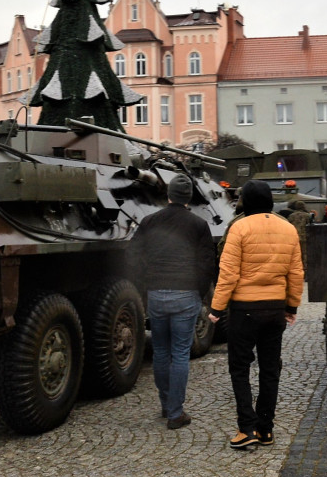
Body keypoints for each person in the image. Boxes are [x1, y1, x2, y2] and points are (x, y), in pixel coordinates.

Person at [208, 179, 304, 449]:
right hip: (275, 310)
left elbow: (228, 273)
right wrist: (292, 306)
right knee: (270, 369)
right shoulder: (288, 228)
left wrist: (217, 308)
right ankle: (266, 430)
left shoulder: (239, 228)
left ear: (245, 203)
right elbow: (296, 272)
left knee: (239, 368)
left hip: (244, 310)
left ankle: (245, 429)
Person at [127, 174, 216, 430]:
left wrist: (145, 285)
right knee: (179, 354)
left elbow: (133, 255)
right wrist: (197, 293)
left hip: (156, 294)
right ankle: (176, 414)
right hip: (185, 294)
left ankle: (166, 405)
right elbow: (207, 264)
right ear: (188, 198)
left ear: (168, 195)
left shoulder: (149, 221)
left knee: (161, 352)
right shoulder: (199, 225)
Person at [285, 200, 314, 269]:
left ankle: (296, 267)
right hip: (305, 237)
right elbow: (311, 225)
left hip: (294, 237)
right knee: (304, 253)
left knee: (295, 253)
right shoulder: (307, 216)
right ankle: (305, 267)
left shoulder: (291, 216)